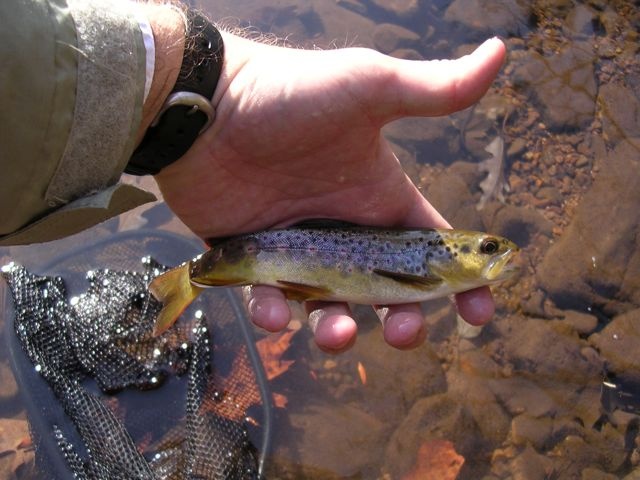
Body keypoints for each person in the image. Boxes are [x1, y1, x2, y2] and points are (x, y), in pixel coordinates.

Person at [0, 0, 506, 353]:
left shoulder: (428, 263)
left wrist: (200, 89)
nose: (495, 252)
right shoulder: (427, 266)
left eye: (487, 247)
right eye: (484, 247)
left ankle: (185, 282)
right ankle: (184, 282)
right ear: (450, 252)